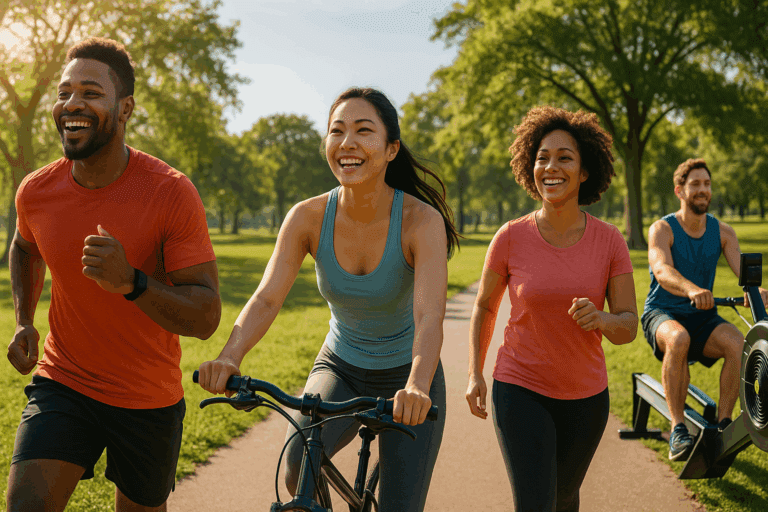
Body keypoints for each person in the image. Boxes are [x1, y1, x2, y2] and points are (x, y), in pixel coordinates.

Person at [197, 87, 458, 512]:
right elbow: (266, 298)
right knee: (299, 464)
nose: (347, 143)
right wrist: (230, 356)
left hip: (407, 374)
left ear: (391, 149)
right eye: (337, 131)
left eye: (363, 131)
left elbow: (429, 316)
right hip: (340, 365)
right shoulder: (307, 216)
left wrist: (417, 385)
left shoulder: (419, 221)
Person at [6, 38, 221, 512]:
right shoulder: (37, 191)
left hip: (147, 399)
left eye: (90, 92)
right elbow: (24, 247)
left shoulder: (170, 192)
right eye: (64, 93)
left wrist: (133, 283)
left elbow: (206, 316)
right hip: (64, 381)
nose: (72, 104)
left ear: (125, 109)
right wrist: (24, 319)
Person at [465, 106, 637, 511]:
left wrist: (603, 318)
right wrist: (475, 373)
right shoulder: (510, 237)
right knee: (536, 502)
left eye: (564, 157)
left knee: (562, 497)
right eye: (542, 157)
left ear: (584, 172)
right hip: (520, 387)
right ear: (531, 167)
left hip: (586, 397)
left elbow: (628, 325)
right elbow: (485, 308)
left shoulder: (610, 241)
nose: (551, 166)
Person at [643, 158, 768, 461]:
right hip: (663, 312)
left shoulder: (723, 232)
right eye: (695, 184)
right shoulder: (663, 228)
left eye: (707, 184)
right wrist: (691, 289)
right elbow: (661, 270)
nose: (703, 190)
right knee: (678, 339)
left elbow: (743, 275)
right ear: (679, 190)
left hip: (703, 316)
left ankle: (723, 424)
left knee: (738, 343)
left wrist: (757, 292)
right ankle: (678, 430)